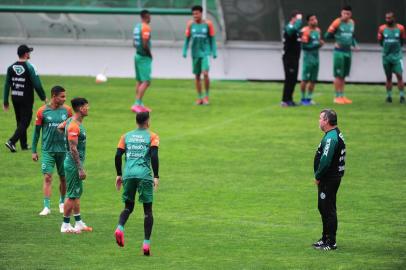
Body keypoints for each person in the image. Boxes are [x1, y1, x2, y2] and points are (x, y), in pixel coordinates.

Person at [114, 112, 159, 256]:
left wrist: (119, 174)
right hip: (144, 175)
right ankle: (146, 244)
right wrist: (156, 176)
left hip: (128, 174)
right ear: (147, 121)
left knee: (128, 207)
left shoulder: (125, 136)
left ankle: (120, 227)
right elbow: (154, 156)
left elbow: (117, 155)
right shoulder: (152, 136)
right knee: (148, 211)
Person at [32, 86, 72, 216]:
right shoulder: (42, 111)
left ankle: (61, 202)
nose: (64, 99)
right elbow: (36, 132)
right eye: (62, 96)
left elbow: (73, 128)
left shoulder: (67, 111)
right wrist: (34, 150)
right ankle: (46, 206)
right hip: (48, 150)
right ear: (54, 96)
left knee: (63, 178)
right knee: (48, 177)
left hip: (64, 150)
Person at [3, 44, 47, 152]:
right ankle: (11, 141)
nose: (30, 54)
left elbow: (7, 84)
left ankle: (23, 144)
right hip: (26, 98)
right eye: (29, 52)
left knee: (20, 121)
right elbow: (37, 84)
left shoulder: (10, 67)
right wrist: (43, 97)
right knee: (26, 121)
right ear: (26, 54)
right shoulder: (30, 67)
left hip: (15, 97)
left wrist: (5, 101)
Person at [313, 109, 346, 251]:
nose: (319, 121)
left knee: (328, 209)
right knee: (323, 207)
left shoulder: (331, 138)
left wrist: (318, 176)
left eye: (320, 118)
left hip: (328, 179)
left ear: (326, 121)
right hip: (332, 177)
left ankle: (331, 241)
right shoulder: (333, 134)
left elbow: (325, 161)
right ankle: (325, 238)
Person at [59, 97, 92, 233]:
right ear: (80, 108)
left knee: (76, 194)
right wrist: (80, 169)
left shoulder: (70, 122)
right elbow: (73, 149)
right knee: (71, 195)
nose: (88, 108)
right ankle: (65, 225)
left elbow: (59, 127)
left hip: (73, 163)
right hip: (73, 165)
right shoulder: (73, 125)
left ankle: (78, 222)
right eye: (86, 106)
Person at [182, 5, 217, 105]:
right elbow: (187, 39)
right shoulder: (190, 24)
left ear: (201, 13)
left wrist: (214, 51)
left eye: (197, 13)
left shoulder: (208, 24)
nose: (195, 15)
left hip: (205, 53)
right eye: (193, 14)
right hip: (195, 53)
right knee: (197, 76)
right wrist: (184, 50)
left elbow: (212, 39)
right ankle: (199, 97)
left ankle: (206, 96)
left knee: (205, 73)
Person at [325, 5, 358, 105]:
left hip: (348, 51)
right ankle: (337, 96)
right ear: (341, 13)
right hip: (339, 51)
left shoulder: (352, 23)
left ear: (350, 14)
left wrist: (355, 45)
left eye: (348, 14)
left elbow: (352, 37)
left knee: (343, 75)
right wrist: (335, 39)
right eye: (344, 13)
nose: (346, 15)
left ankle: (342, 96)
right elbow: (327, 35)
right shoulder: (337, 22)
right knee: (338, 75)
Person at [377, 11, 406, 104]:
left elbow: (402, 41)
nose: (387, 20)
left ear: (394, 18)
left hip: (397, 57)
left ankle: (402, 96)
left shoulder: (400, 28)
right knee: (388, 77)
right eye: (386, 18)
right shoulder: (382, 29)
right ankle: (389, 96)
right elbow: (380, 42)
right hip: (386, 57)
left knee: (399, 75)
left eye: (389, 18)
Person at [131, 10, 153, 113]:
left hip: (137, 55)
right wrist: (149, 54)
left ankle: (140, 104)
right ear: (146, 17)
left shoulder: (136, 27)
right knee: (146, 81)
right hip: (144, 57)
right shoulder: (146, 27)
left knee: (139, 80)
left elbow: (134, 43)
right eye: (149, 16)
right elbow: (144, 44)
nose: (150, 18)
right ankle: (137, 103)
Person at [300, 14, 324, 105]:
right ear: (308, 22)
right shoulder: (305, 31)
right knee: (305, 79)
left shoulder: (318, 31)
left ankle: (309, 99)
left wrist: (320, 44)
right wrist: (317, 45)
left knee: (313, 79)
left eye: (315, 19)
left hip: (316, 58)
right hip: (308, 58)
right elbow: (304, 46)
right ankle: (303, 99)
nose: (315, 21)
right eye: (312, 19)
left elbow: (317, 44)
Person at [281, 10, 303, 107]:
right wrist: (298, 22)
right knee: (289, 79)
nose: (300, 21)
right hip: (289, 58)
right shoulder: (289, 27)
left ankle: (290, 99)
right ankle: (285, 100)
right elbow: (290, 31)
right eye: (298, 19)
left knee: (293, 79)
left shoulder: (297, 30)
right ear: (293, 18)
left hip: (295, 58)